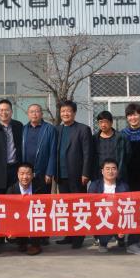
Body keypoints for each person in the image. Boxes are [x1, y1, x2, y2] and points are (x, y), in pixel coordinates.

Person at [55, 100, 93, 249]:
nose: (65, 113)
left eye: (68, 111)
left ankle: (79, 237)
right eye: (63, 111)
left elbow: (87, 153)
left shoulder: (83, 129)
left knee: (78, 207)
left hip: (77, 175)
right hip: (61, 175)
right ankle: (69, 235)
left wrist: (85, 173)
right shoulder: (57, 130)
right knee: (66, 207)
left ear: (74, 113)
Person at [88, 159, 140, 255]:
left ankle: (132, 244)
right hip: (103, 218)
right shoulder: (95, 185)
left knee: (138, 214)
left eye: (113, 168)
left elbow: (128, 206)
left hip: (120, 218)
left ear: (117, 171)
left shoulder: (124, 186)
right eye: (107, 169)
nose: (110, 171)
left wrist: (122, 225)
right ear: (102, 171)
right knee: (103, 240)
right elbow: (91, 206)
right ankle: (102, 243)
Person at [6, 163, 43, 255]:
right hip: (19, 218)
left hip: (34, 217)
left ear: (32, 175)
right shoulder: (11, 190)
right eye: (22, 174)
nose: (25, 177)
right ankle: (22, 242)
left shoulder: (39, 188)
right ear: (18, 175)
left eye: (28, 174)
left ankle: (36, 244)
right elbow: (8, 211)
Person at [22, 104, 56, 195]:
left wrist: (49, 172)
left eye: (37, 111)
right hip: (26, 173)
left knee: (43, 199)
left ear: (41, 114)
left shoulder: (49, 129)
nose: (34, 114)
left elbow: (53, 152)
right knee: (27, 198)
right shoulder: (23, 129)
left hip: (43, 172)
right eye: (31, 112)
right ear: (28, 114)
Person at [92, 110, 130, 182]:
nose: (103, 125)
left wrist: (120, 170)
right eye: (100, 122)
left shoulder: (122, 138)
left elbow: (128, 156)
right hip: (98, 176)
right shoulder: (94, 139)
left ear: (111, 122)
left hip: (118, 176)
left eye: (105, 122)